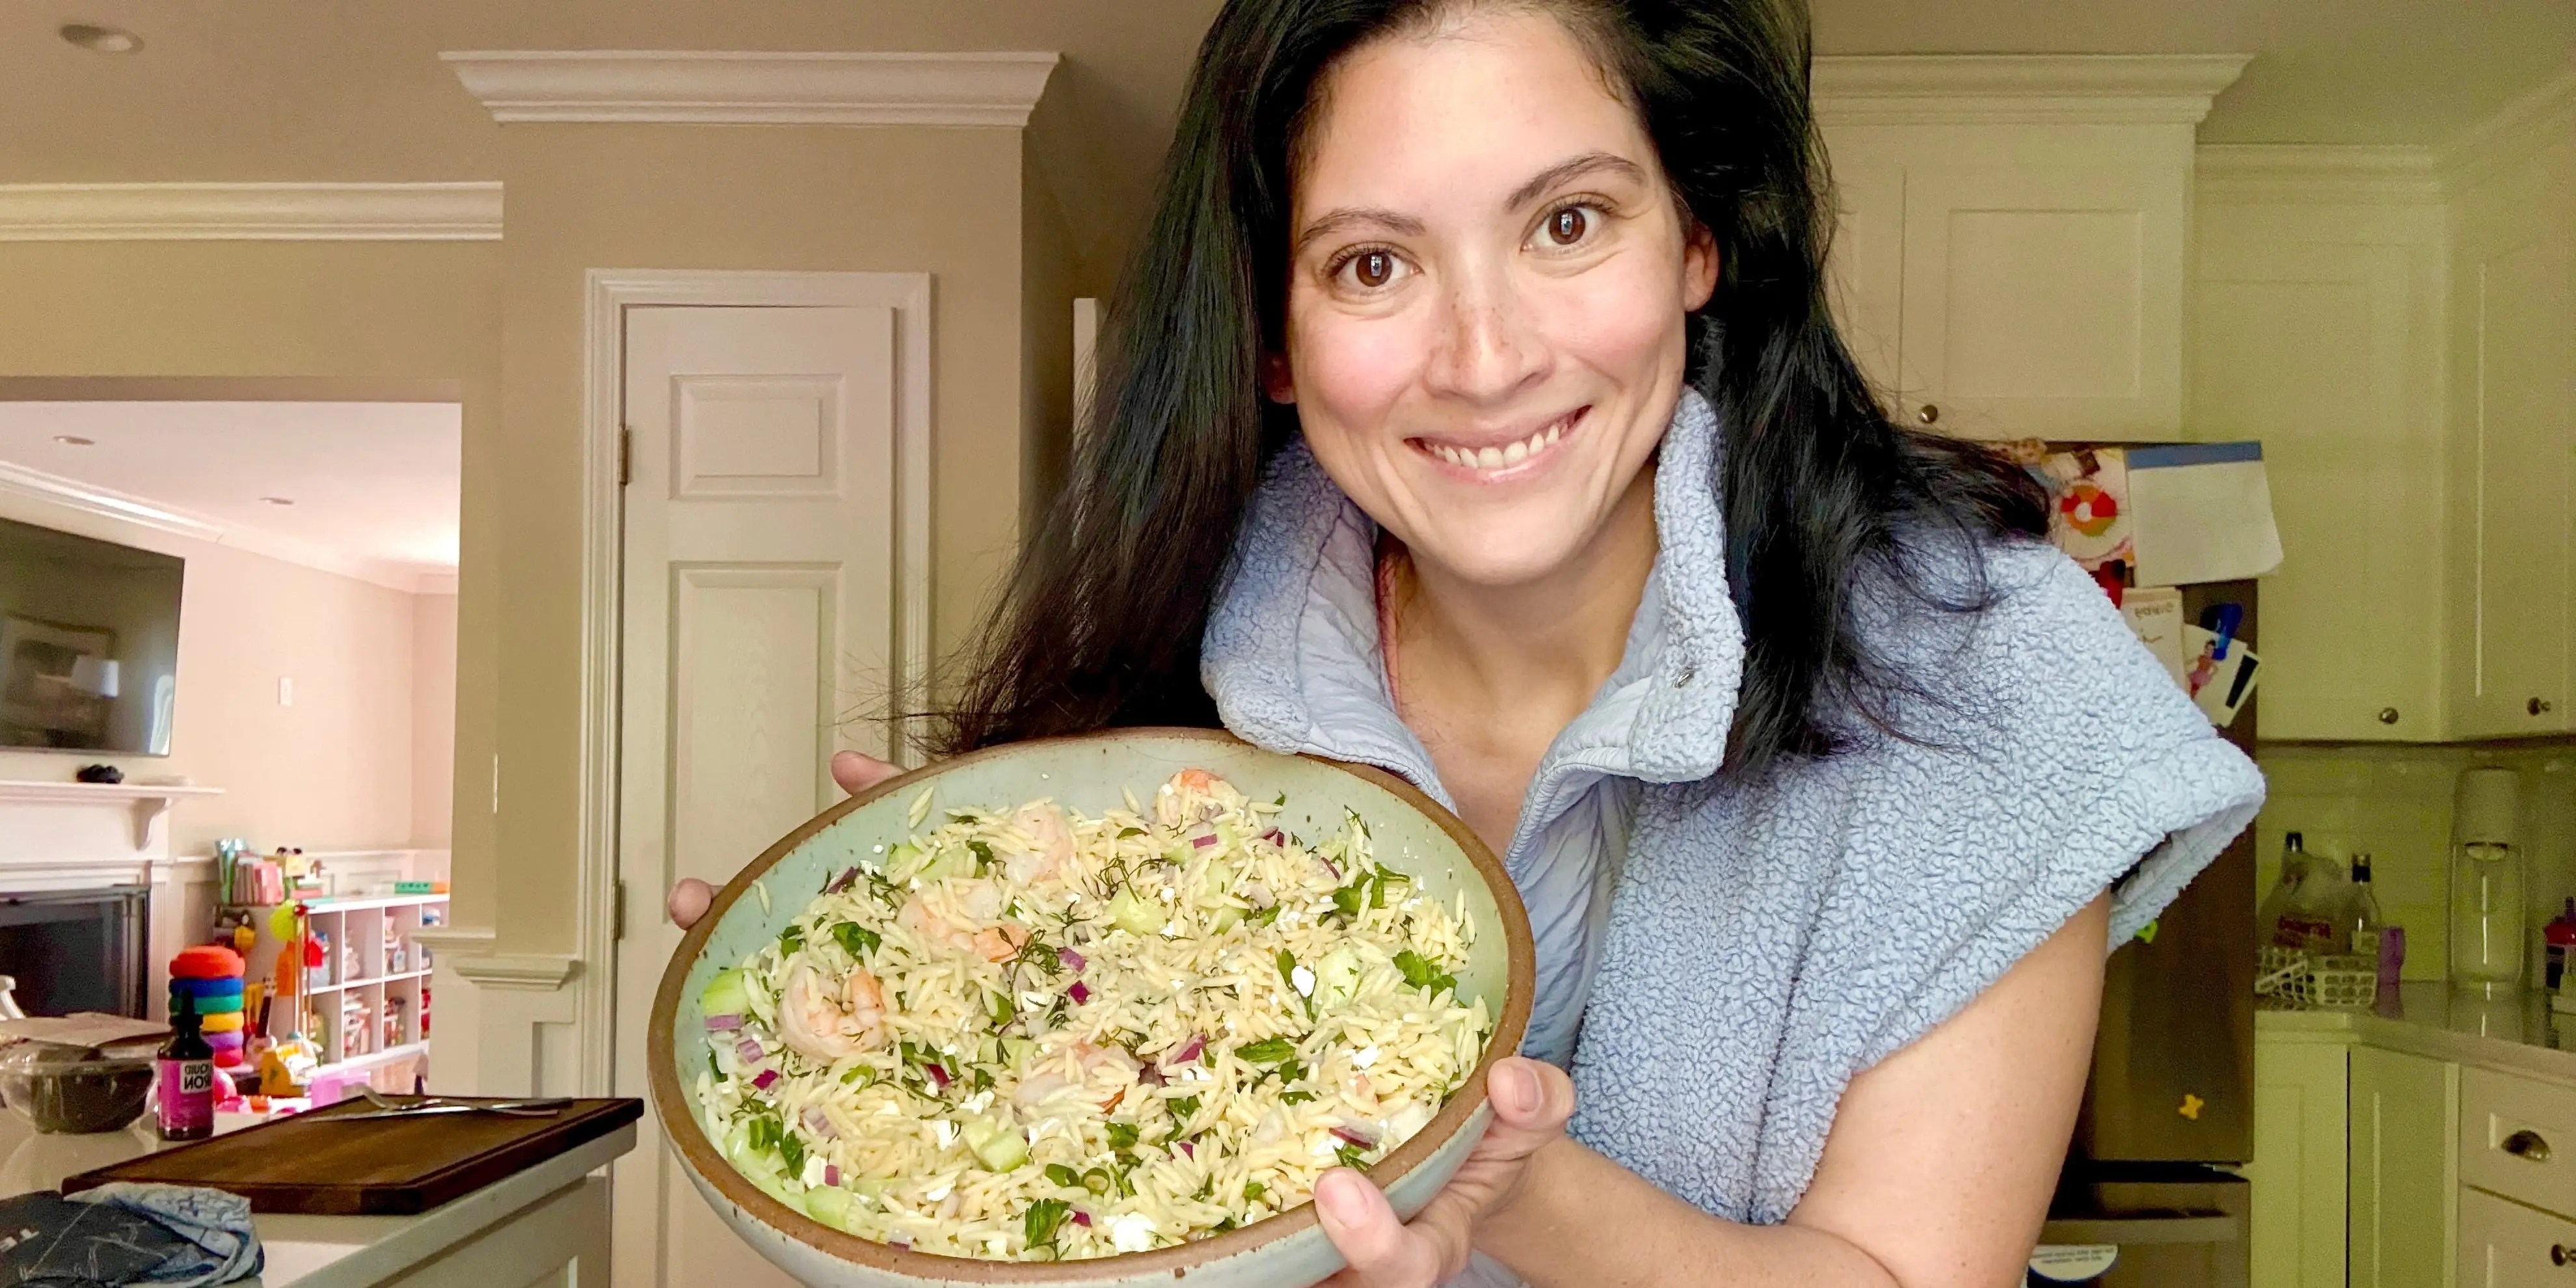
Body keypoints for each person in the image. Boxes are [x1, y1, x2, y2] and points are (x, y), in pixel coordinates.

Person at [671, 1, 2265, 1283]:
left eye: (1569, 222)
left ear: (1696, 248)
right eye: (1373, 264)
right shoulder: (1142, 747)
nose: (1487, 356)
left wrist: (1489, 1171)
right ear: (1277, 341)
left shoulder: (1983, 681)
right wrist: (942, 1047)